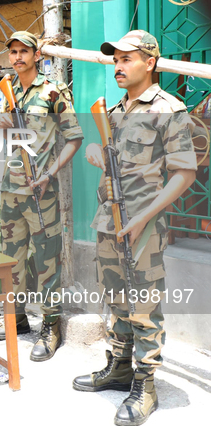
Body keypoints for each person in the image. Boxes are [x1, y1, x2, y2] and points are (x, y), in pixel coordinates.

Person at [73, 30, 197, 426]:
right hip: (108, 220)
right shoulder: (115, 110)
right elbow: (114, 159)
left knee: (143, 306)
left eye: (127, 58)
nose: (119, 66)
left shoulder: (168, 108)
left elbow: (185, 172)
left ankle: (145, 384)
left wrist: (143, 217)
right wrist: (95, 153)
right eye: (116, 60)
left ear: (151, 63)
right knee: (115, 297)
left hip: (143, 226)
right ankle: (120, 367)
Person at [0, 31, 84, 362]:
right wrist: (1, 124)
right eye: (13, 52)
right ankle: (16, 318)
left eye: (23, 52)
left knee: (46, 262)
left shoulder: (53, 91)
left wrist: (50, 173)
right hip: (10, 188)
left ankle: (50, 327)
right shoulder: (9, 90)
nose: (17, 57)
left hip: (40, 190)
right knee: (11, 260)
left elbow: (74, 137)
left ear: (36, 56)